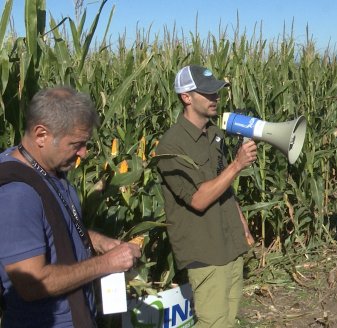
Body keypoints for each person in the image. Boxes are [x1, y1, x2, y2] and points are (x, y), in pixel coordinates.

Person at [0, 87, 142, 327]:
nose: (83, 154)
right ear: (41, 135)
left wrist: (98, 241)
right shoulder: (17, 195)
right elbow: (32, 284)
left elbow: (54, 227)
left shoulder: (50, 172)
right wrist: (107, 263)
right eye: (76, 144)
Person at [156, 65, 256, 327]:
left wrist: (242, 224)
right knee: (213, 322)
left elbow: (225, 186)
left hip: (230, 241)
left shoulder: (214, 134)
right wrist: (237, 165)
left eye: (217, 93)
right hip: (205, 247)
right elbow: (198, 200)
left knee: (229, 318)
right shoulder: (171, 146)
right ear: (186, 97)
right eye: (208, 94)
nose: (216, 98)